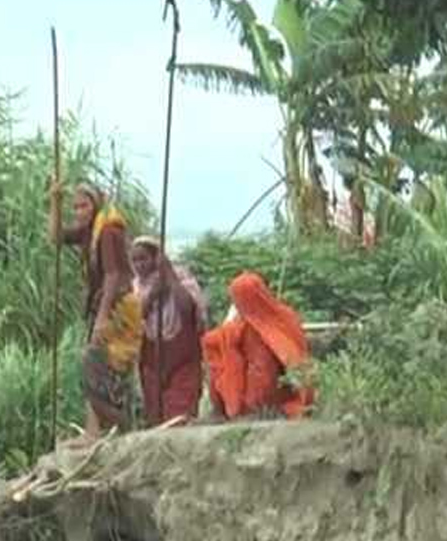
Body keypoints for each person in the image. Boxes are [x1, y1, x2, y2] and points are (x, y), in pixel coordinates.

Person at [49, 182, 141, 439]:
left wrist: (101, 317)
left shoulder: (108, 230)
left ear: (96, 204)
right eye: (75, 207)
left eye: (84, 206)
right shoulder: (89, 230)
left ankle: (112, 427)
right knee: (95, 368)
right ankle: (94, 430)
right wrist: (55, 202)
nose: (79, 212)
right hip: (102, 306)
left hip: (117, 309)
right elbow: (56, 237)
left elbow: (112, 275)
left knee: (97, 364)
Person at [202, 272, 315, 421]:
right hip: (298, 392)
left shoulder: (252, 330)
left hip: (269, 402)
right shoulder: (287, 316)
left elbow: (262, 374)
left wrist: (252, 408)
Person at [128, 237, 208, 428]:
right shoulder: (135, 287)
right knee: (156, 417)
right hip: (151, 359)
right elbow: (134, 319)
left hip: (182, 357)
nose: (139, 265)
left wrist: (169, 279)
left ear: (157, 258)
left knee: (179, 417)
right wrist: (153, 294)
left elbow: (188, 309)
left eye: (144, 259)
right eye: (135, 260)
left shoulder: (181, 278)